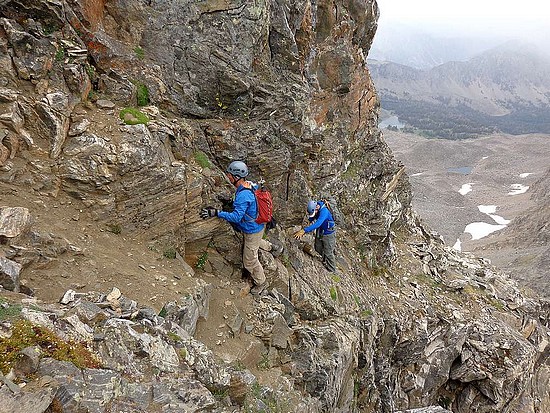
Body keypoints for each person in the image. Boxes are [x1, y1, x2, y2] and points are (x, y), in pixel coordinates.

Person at [200, 161, 282, 295]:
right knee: (253, 242)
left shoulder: (243, 195)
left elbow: (236, 217)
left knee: (249, 260)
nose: (227, 176)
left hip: (252, 228)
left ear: (236, 177)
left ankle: (261, 282)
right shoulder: (250, 184)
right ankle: (272, 247)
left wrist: (216, 213)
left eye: (230, 174)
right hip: (257, 225)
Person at [293, 200, 337, 272]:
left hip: (328, 232)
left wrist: (304, 230)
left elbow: (318, 223)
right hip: (321, 231)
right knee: (318, 247)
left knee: (328, 252)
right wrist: (309, 220)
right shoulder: (317, 208)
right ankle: (324, 260)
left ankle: (332, 269)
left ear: (317, 207)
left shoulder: (324, 211)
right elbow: (313, 216)